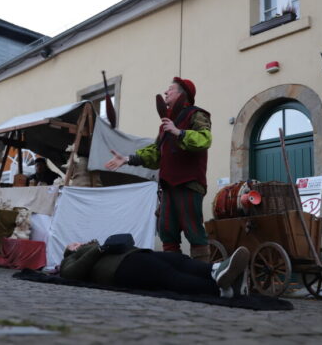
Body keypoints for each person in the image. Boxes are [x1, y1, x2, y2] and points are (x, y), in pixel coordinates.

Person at [106, 77, 212, 261]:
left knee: (194, 232)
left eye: (170, 89)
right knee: (167, 233)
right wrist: (127, 159)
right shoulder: (165, 124)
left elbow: (205, 139)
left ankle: (202, 275)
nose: (165, 92)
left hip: (188, 184)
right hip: (168, 186)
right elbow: (155, 155)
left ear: (181, 94)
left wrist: (179, 132)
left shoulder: (196, 114)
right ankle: (174, 274)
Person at [60, 239, 249, 298]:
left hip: (134, 255)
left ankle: (217, 270)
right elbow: (70, 274)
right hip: (120, 269)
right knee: (169, 276)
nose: (80, 242)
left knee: (179, 260)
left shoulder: (92, 249)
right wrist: (98, 249)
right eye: (75, 243)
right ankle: (222, 290)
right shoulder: (71, 258)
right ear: (70, 249)